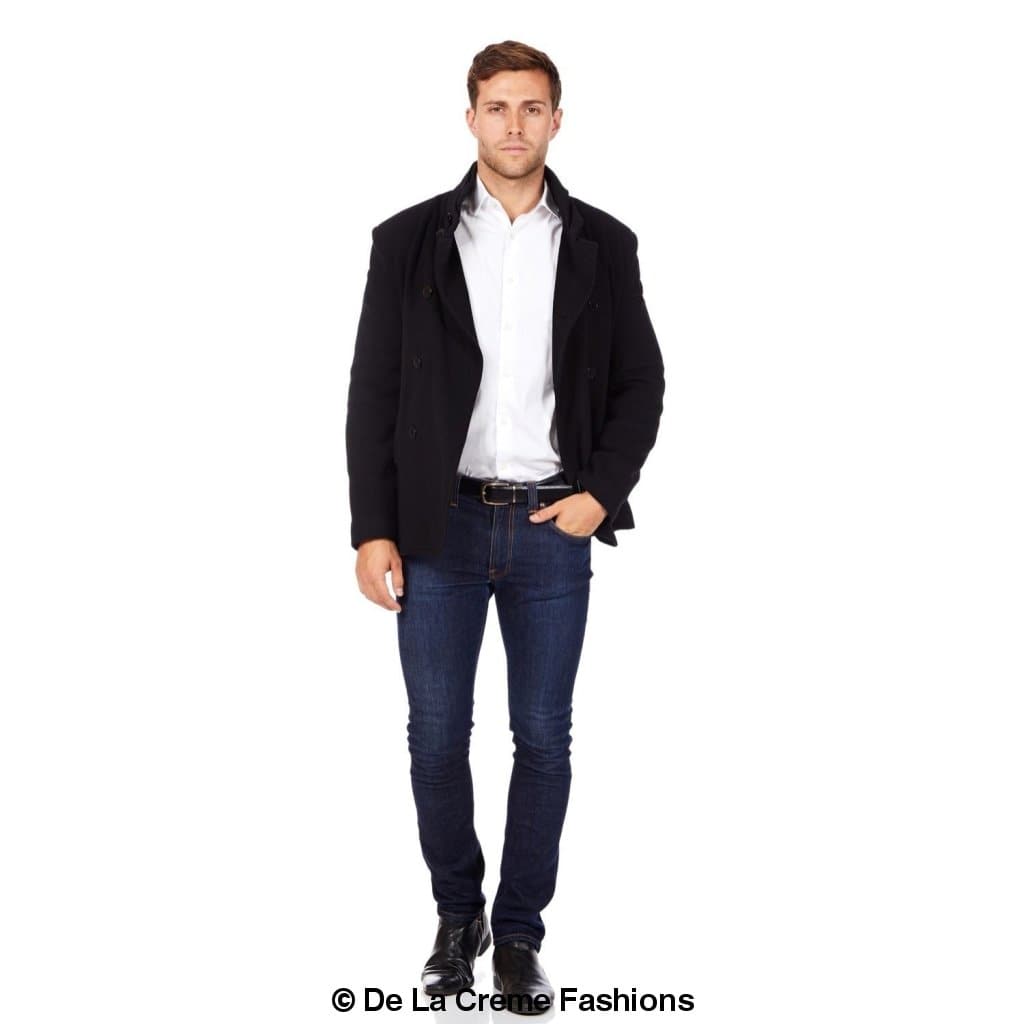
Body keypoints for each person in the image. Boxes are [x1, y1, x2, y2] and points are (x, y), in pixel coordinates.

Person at [346, 40, 665, 1014]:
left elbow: (641, 382)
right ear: (470, 118)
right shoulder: (408, 239)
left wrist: (601, 492)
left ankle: (519, 934)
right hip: (434, 526)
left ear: (557, 120)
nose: (514, 124)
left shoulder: (605, 243)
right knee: (436, 739)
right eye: (497, 107)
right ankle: (458, 919)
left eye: (532, 108)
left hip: (551, 529)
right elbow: (372, 390)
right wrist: (371, 526)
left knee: (544, 738)